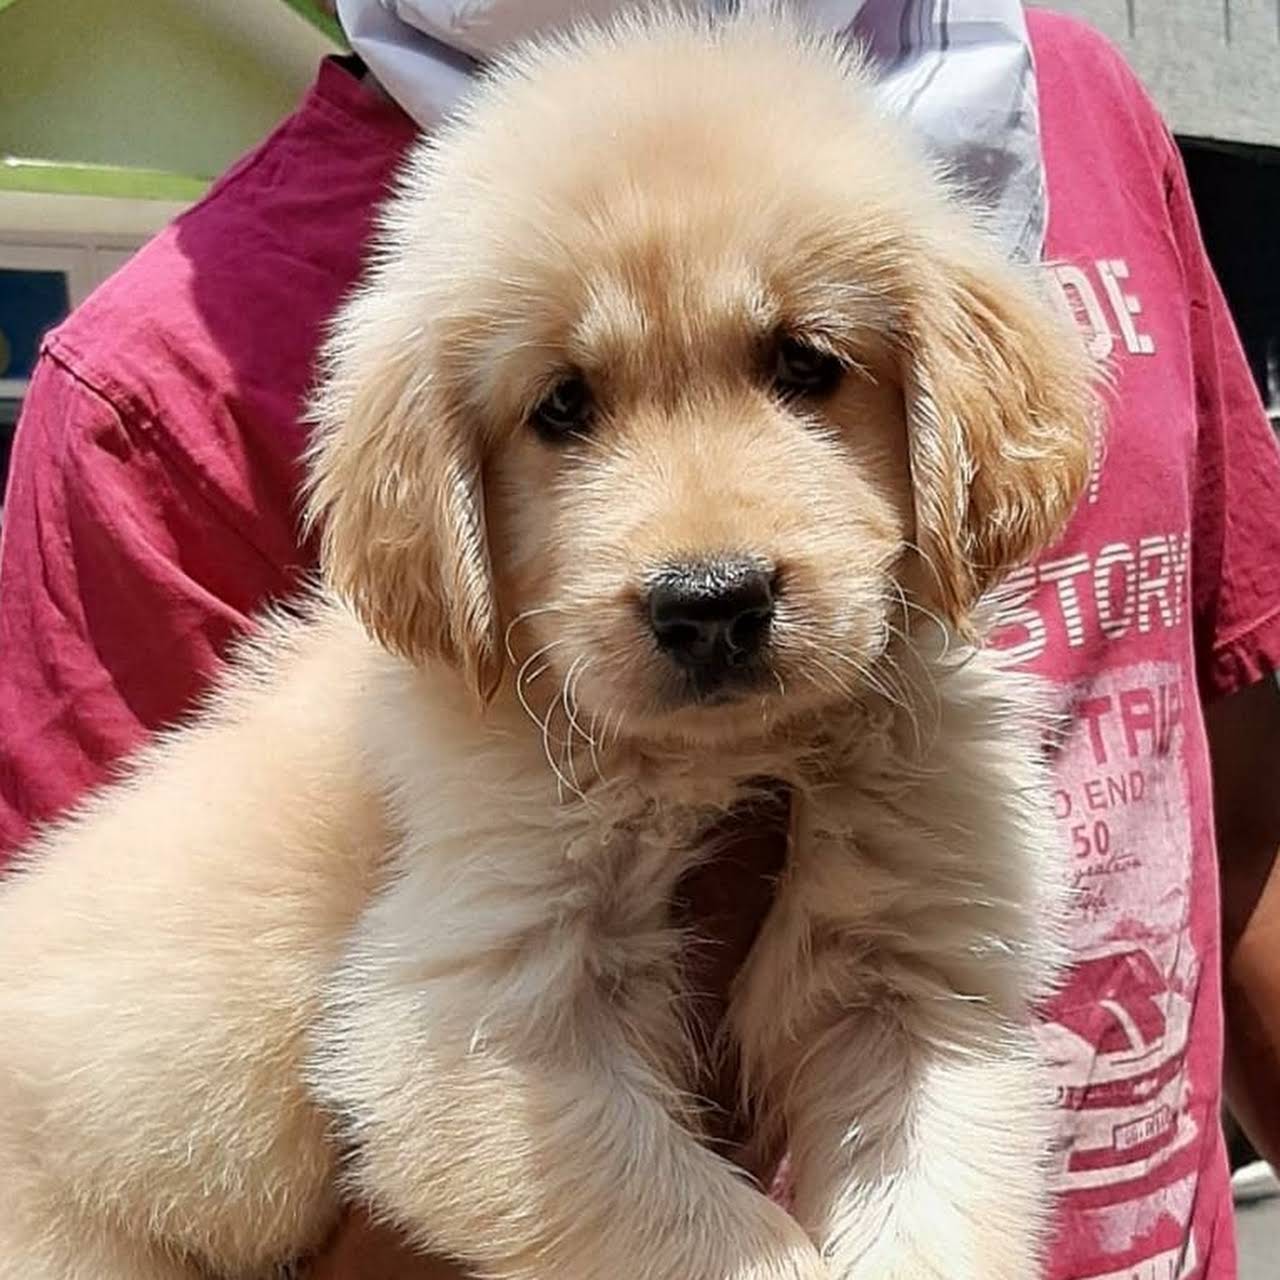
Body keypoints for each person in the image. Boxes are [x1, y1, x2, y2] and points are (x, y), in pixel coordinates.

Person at [1, 4, 1278, 1278]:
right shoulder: (159, 409)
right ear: (444, 497)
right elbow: (457, 1077)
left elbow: (932, 1044)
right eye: (564, 405)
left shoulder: (1062, 101)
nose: (701, 553)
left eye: (800, 365)